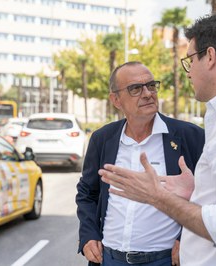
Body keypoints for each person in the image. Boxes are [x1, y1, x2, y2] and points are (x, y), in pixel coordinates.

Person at [99, 11, 216, 266]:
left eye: (190, 60)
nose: (188, 73)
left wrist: (157, 196)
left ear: (210, 57)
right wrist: (196, 191)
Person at [76, 61, 205, 266]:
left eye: (151, 85)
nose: (147, 93)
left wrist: (186, 238)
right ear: (116, 100)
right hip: (109, 259)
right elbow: (87, 193)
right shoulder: (102, 139)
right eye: (136, 88)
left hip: (165, 260)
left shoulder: (190, 137)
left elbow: (208, 194)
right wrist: (88, 235)